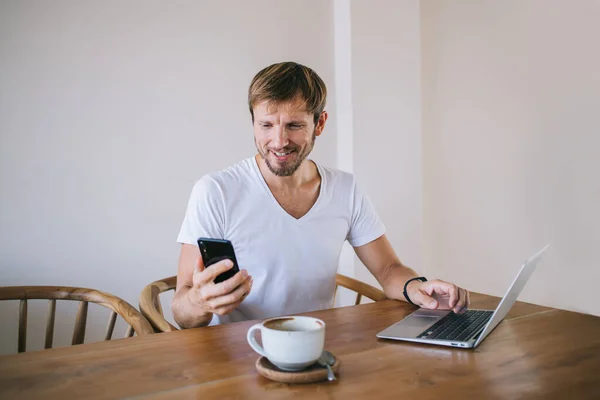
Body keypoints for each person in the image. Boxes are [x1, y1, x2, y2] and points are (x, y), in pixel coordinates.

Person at [172, 61, 470, 328]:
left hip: (316, 350)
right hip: (236, 357)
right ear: (253, 123)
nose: (279, 141)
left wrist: (419, 287)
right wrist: (198, 302)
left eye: (294, 125)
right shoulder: (216, 191)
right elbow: (181, 310)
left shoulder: (344, 189)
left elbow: (389, 269)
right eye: (266, 125)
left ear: (320, 123)